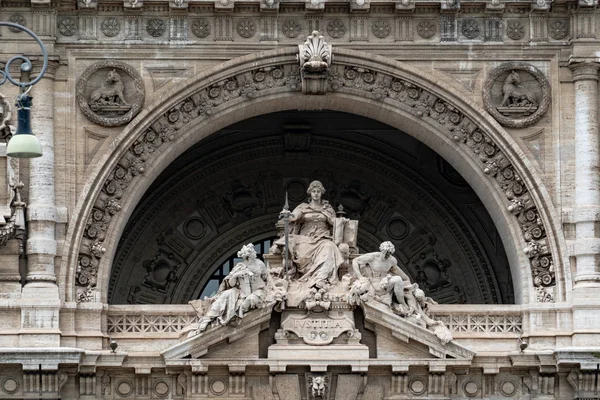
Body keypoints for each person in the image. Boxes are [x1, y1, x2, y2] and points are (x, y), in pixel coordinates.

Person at [278, 180, 345, 290]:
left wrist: (340, 221)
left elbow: (334, 222)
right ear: (310, 192)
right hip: (305, 239)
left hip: (322, 238)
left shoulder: (327, 209)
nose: (316, 193)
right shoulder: (303, 207)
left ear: (321, 193)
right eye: (314, 191)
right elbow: (293, 217)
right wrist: (287, 214)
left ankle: (320, 278)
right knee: (294, 244)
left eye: (318, 191)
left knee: (330, 246)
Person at [194, 243, 268, 332]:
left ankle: (234, 318)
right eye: (253, 251)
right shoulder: (240, 266)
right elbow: (231, 284)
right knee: (226, 294)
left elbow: (267, 278)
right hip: (242, 292)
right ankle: (207, 319)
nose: (255, 252)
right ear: (248, 255)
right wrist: (236, 275)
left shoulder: (260, 264)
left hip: (258, 291)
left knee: (249, 301)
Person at [350, 241, 411, 311]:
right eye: (385, 253)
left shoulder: (392, 260)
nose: (386, 256)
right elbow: (355, 261)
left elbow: (397, 271)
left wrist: (407, 279)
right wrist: (360, 277)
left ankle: (403, 304)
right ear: (382, 250)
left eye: (389, 254)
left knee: (398, 279)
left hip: (386, 285)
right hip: (375, 285)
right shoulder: (372, 257)